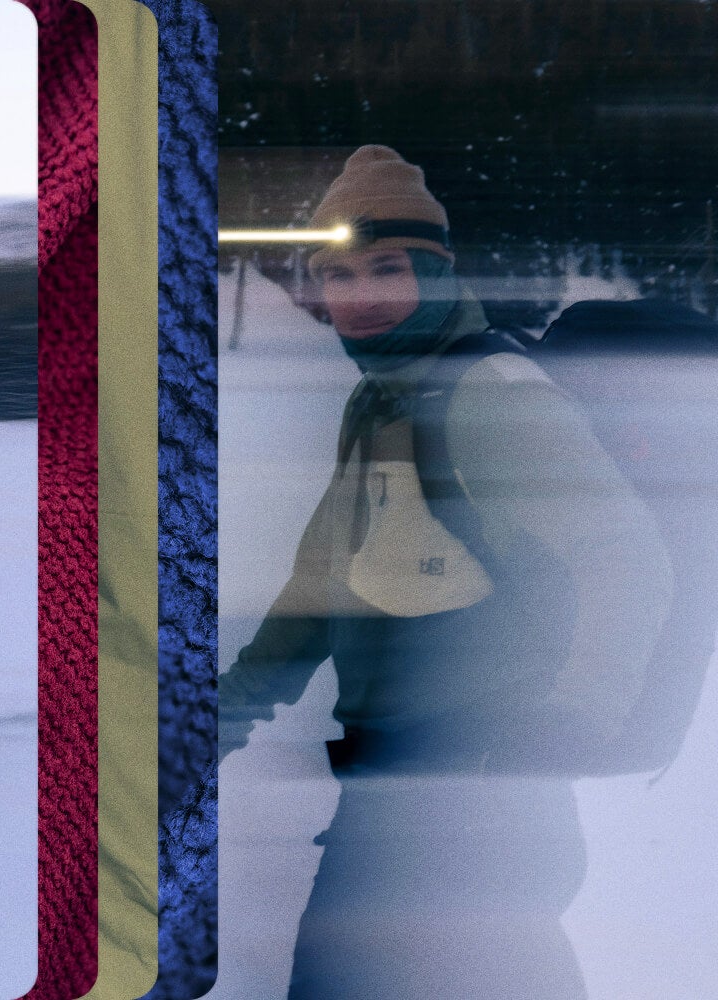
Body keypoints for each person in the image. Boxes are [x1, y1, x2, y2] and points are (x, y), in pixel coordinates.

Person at [216, 145, 672, 999]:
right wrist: (229, 708)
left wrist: (572, 718)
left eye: (386, 269)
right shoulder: (384, 398)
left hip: (479, 791)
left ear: (435, 272)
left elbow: (627, 561)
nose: (361, 297)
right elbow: (324, 580)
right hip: (399, 786)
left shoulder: (491, 394)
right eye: (339, 276)